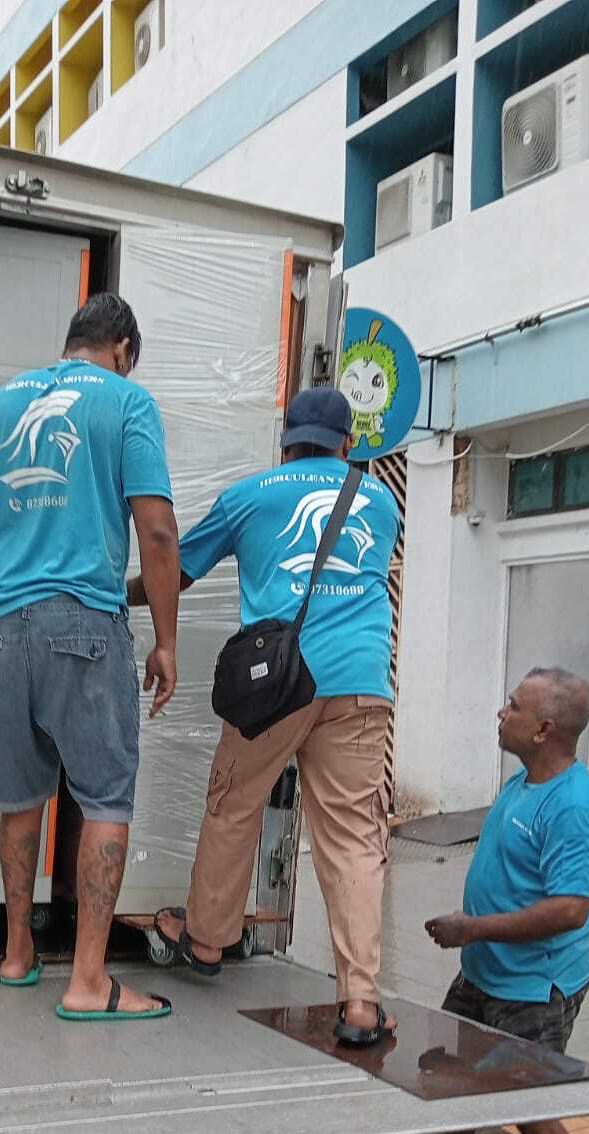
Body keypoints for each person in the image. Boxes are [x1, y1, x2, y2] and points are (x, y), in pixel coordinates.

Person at [0, 292, 181, 1022]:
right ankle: (89, 981)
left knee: (19, 800)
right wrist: (165, 640)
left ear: (72, 341)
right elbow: (158, 534)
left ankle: (15, 954)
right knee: (104, 800)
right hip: (84, 627)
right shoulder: (127, 402)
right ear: (123, 348)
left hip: (5, 633)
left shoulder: (2, 405)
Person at [128, 386, 401, 1046]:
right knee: (355, 837)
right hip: (363, 683)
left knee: (234, 804)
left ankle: (209, 941)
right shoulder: (383, 502)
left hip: (278, 684)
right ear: (346, 444)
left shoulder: (251, 495)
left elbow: (173, 572)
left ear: (287, 439)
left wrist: (109, 593)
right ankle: (361, 1002)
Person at [379, 668, 589, 1134]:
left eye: (514, 706)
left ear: (544, 728)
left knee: (530, 1109)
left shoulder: (575, 805)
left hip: (535, 987)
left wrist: (473, 929)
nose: (500, 712)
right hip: (486, 972)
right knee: (455, 1072)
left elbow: (570, 909)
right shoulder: (521, 783)